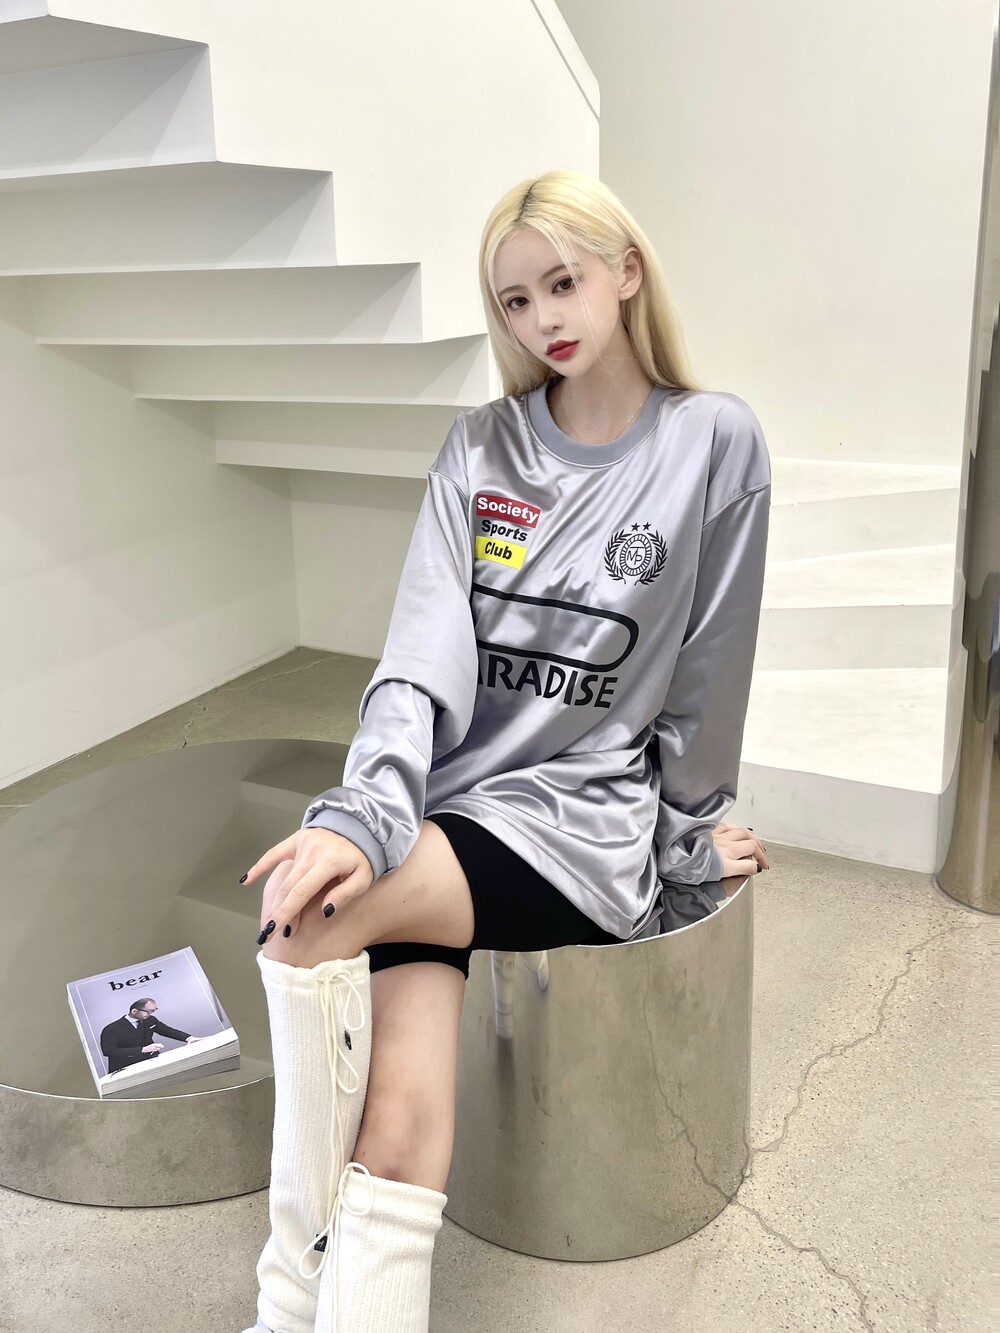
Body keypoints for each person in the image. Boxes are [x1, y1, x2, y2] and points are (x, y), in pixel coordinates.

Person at [239, 169, 771, 1333]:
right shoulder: (480, 447)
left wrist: (687, 842)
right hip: (442, 821)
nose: (543, 320)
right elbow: (418, 654)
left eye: (562, 283)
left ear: (625, 272)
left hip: (572, 828)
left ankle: (281, 1303)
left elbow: (707, 673)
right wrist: (364, 812)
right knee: (396, 1132)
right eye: (516, 301)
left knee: (298, 918)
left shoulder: (713, 442)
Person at [99, 997, 202, 1074]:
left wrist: (189, 1038)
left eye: (153, 1011)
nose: (150, 1015)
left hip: (152, 1063)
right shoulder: (111, 1029)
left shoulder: (150, 1020)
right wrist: (143, 1049)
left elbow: (167, 1030)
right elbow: (109, 1051)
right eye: (148, 1012)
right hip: (126, 1069)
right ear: (134, 1011)